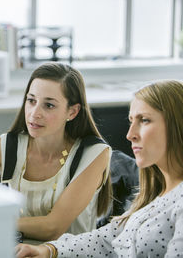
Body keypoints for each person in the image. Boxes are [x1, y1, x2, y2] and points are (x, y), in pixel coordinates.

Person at [16, 79, 183, 257]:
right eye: (131, 121)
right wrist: (49, 250)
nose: (130, 135)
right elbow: (107, 239)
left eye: (145, 120)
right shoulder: (157, 193)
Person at [0, 62, 112, 242]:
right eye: (31, 101)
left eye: (49, 105)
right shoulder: (6, 146)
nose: (34, 113)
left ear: (72, 112)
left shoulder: (93, 154)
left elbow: (53, 228)